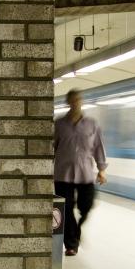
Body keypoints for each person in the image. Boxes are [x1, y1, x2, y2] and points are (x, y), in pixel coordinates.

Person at [53, 88, 107, 256]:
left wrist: (102, 170)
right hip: (63, 173)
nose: (76, 103)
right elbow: (52, 147)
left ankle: (76, 231)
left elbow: (98, 147)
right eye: (73, 100)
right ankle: (71, 244)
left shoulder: (92, 124)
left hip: (85, 174)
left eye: (78, 100)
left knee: (87, 205)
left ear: (81, 102)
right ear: (68, 102)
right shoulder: (59, 124)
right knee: (66, 209)